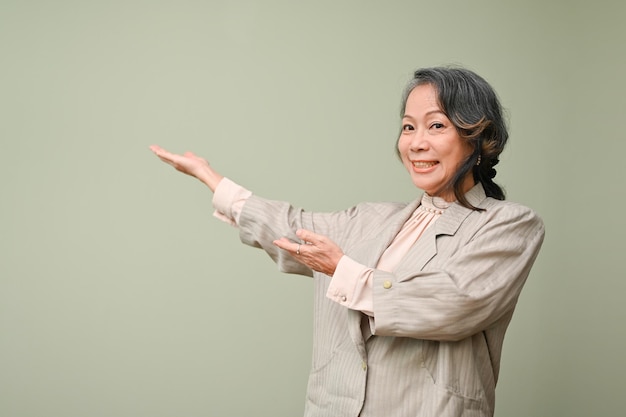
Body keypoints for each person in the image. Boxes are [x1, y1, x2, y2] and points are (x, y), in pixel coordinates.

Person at [149, 66, 544, 417]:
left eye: (436, 125)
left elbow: (455, 303)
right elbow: (292, 226)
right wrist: (212, 179)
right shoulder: (371, 219)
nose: (416, 143)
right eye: (408, 127)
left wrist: (344, 270)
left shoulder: (509, 224)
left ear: (478, 137)